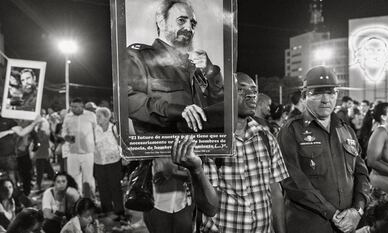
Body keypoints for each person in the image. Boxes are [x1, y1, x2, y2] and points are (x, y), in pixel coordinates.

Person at [278, 66, 370, 233]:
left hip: (349, 225)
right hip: (311, 226)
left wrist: (358, 210)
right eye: (318, 93)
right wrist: (332, 213)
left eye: (331, 92)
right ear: (304, 96)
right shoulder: (291, 131)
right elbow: (293, 180)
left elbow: (362, 173)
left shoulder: (346, 130)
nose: (326, 99)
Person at [200, 72, 289, 233]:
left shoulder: (266, 138)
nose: (251, 95)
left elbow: (275, 192)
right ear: (223, 95)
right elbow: (206, 201)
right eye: (241, 90)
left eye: (254, 91)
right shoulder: (212, 141)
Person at [126, 0, 224, 134]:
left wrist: (211, 72)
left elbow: (220, 107)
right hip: (161, 151)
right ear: (161, 22)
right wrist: (178, 111)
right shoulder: (138, 56)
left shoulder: (195, 67)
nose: (189, 28)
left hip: (200, 150)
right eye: (181, 20)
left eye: (193, 23)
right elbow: (130, 101)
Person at [62, 98, 97, 198]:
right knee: (73, 177)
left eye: (76, 107)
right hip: (73, 152)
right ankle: (76, 199)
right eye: (72, 106)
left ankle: (90, 199)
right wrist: (66, 136)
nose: (73, 109)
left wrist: (96, 145)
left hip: (88, 152)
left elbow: (96, 131)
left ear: (82, 106)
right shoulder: (68, 117)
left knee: (88, 178)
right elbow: (64, 131)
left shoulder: (90, 116)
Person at [93, 107, 124, 217]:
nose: (97, 119)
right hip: (99, 162)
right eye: (96, 116)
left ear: (107, 118)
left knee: (115, 186)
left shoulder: (114, 129)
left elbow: (121, 143)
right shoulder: (94, 129)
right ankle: (107, 210)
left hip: (114, 162)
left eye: (99, 116)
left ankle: (119, 210)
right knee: (102, 187)